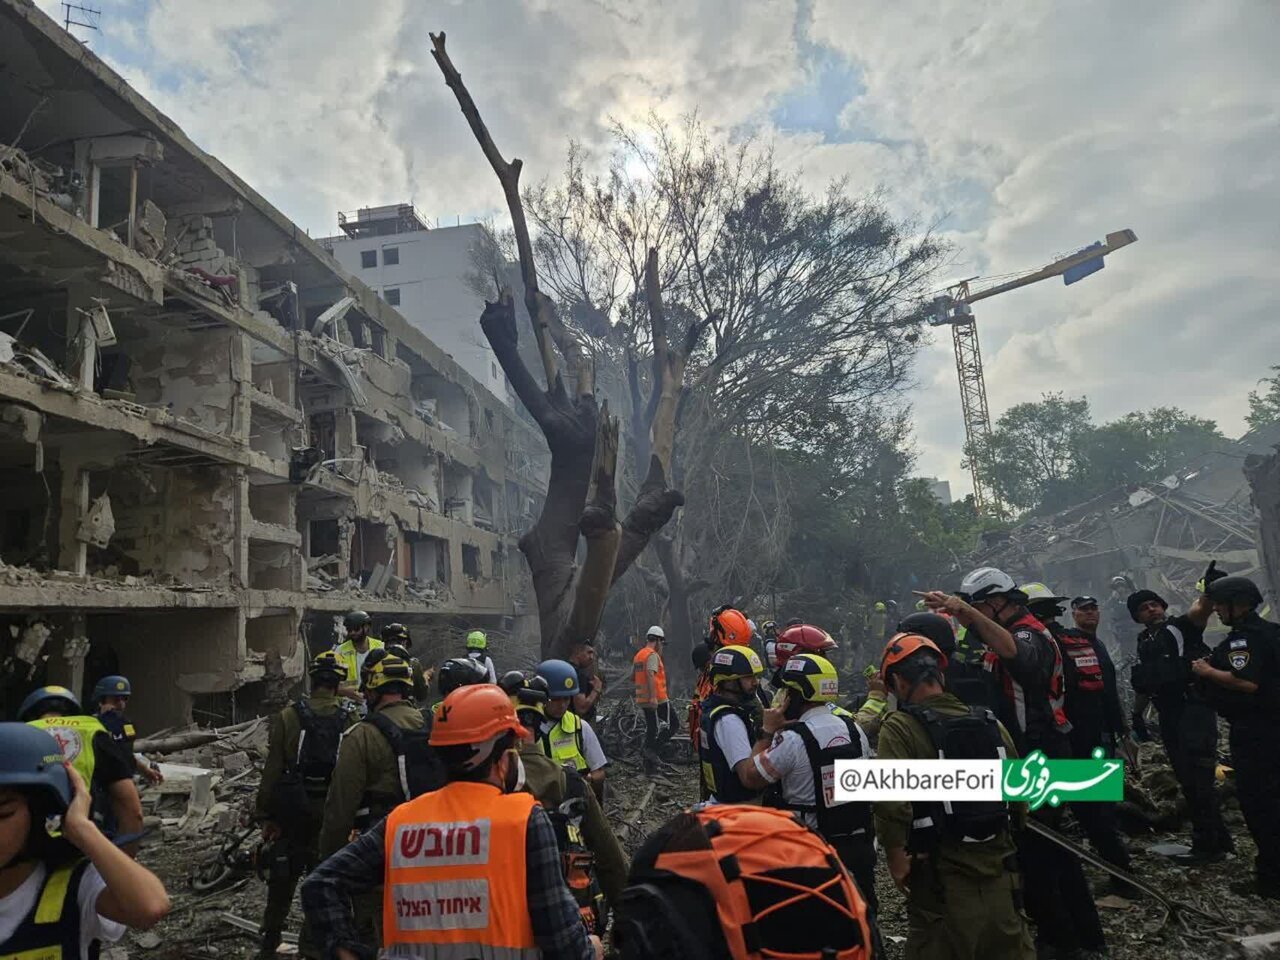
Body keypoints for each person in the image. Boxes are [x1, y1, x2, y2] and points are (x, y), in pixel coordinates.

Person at [301, 685, 602, 960]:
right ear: (503, 757)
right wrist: (593, 949)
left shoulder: (400, 823)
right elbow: (561, 941)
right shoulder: (523, 822)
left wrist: (346, 951)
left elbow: (320, 883)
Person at [924, 569, 1104, 959]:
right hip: (1027, 752)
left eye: (978, 606)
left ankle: (1064, 941)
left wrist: (968, 614)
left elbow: (1015, 654)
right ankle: (1080, 937)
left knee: (1040, 855)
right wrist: (951, 612)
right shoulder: (997, 630)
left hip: (1042, 751)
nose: (973, 614)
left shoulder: (1030, 633)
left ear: (998, 601)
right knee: (1048, 850)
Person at [873, 634, 1034, 960]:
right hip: (1000, 871)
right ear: (940, 675)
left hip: (940, 875)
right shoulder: (990, 722)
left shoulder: (900, 727)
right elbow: (1020, 791)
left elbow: (890, 798)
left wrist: (895, 855)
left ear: (899, 682)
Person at [614, 804, 875, 960]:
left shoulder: (784, 737)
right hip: (818, 837)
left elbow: (748, 775)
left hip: (743, 838)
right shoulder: (852, 731)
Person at [0, 724, 169, 960]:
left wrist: (81, 829)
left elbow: (150, 907)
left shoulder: (74, 886)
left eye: (4, 814)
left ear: (39, 813)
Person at [736, 653, 878, 915]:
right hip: (858, 848)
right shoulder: (853, 730)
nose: (780, 697)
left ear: (797, 695)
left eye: (785, 691)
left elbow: (749, 777)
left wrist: (767, 731)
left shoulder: (792, 740)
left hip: (809, 850)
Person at [318, 654, 439, 951]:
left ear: (371, 691)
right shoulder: (435, 724)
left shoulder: (361, 736)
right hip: (436, 854)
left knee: (376, 935)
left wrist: (329, 864)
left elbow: (339, 809)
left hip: (380, 859)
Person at [254, 651, 358, 959]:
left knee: (282, 879)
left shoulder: (289, 716)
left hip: (291, 808)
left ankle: (269, 941)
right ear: (338, 682)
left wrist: (266, 814)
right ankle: (311, 947)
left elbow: (273, 769)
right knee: (324, 880)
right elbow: (353, 773)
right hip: (330, 809)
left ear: (313, 681)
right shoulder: (350, 716)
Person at [512, 676, 629, 932]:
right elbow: (611, 861)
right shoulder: (571, 783)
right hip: (569, 916)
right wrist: (631, 922)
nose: (563, 704)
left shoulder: (494, 784)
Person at [1191, 575, 1280, 899]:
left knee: (1260, 806)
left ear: (1238, 604)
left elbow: (1247, 683)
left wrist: (1206, 671)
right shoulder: (1271, 632)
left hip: (1256, 734)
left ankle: (1271, 880)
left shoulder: (1244, 640)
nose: (1215, 610)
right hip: (1270, 728)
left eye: (1219, 604)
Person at [1127, 586, 1231, 863]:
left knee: (1199, 779)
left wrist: (1210, 591)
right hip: (1170, 715)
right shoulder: (1145, 640)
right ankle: (1220, 840)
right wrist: (1137, 715)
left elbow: (1201, 611)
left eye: (1154, 604)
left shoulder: (1179, 627)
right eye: (1144, 607)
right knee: (1187, 778)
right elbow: (1146, 682)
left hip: (1193, 710)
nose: (1151, 609)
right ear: (1137, 616)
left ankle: (1207, 846)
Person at [1058, 595, 1135, 890]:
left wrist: (1122, 730)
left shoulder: (1095, 644)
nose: (1090, 614)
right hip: (1084, 734)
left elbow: (1109, 694)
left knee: (1100, 808)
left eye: (1093, 608)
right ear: (1073, 614)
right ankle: (1119, 870)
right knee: (1097, 807)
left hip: (1099, 734)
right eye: (1083, 610)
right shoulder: (1071, 644)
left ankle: (1122, 876)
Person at [19, 687, 143, 850]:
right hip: (83, 847)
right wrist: (122, 862)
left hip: (27, 852)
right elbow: (132, 810)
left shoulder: (18, 736)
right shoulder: (91, 730)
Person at [697, 645, 771, 804]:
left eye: (756, 676)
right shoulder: (729, 720)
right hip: (739, 809)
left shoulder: (719, 708)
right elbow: (747, 777)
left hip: (724, 803)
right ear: (728, 680)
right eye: (748, 677)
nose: (755, 682)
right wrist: (767, 733)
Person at [535, 660, 609, 801]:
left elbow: (599, 772)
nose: (562, 705)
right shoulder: (527, 730)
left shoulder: (580, 727)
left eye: (566, 699)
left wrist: (585, 781)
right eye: (555, 699)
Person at [91, 676, 163, 787]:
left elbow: (125, 755)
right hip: (96, 782)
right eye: (115, 699)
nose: (121, 704)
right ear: (102, 700)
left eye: (124, 698)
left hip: (120, 781)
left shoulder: (126, 725)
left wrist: (146, 771)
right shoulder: (90, 724)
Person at [633, 627, 675, 762]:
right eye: (661, 643)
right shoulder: (651, 655)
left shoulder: (639, 655)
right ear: (657, 640)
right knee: (673, 725)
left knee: (652, 728)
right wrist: (653, 697)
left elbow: (633, 677)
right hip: (657, 699)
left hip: (642, 699)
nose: (661, 646)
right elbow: (650, 674)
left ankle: (648, 751)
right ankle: (653, 750)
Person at [333, 611, 384, 704]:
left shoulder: (381, 647)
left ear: (366, 627)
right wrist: (344, 692)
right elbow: (331, 684)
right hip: (349, 704)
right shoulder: (340, 651)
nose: (352, 633)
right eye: (349, 630)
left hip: (376, 703)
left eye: (356, 629)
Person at [377, 623, 430, 703]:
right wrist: (425, 678)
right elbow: (421, 695)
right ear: (404, 642)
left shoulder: (375, 662)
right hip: (406, 709)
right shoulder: (413, 664)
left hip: (380, 710)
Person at [568, 638, 606, 724]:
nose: (592, 657)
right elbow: (581, 708)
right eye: (589, 653)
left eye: (593, 654)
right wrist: (596, 689)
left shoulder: (566, 670)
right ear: (577, 652)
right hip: (580, 724)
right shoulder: (578, 676)